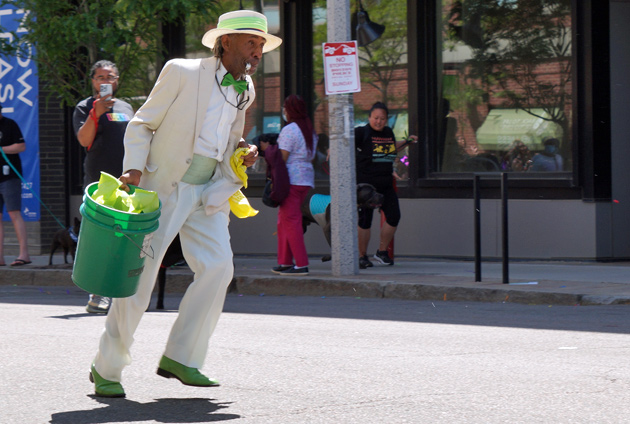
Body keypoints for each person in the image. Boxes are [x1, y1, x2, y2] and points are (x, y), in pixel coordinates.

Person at [88, 10, 281, 398]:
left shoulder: (246, 88)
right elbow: (142, 124)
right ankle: (106, 366)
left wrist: (241, 152)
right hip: (163, 188)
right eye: (251, 42)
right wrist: (133, 171)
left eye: (261, 44)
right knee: (138, 280)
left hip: (208, 192)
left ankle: (182, 356)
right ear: (224, 42)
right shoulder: (181, 71)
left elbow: (230, 138)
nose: (258, 51)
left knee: (217, 268)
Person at [73, 60, 134, 314]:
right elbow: (83, 140)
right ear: (93, 81)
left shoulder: (127, 107)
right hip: (99, 181)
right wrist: (95, 114)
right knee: (100, 236)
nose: (104, 81)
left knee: (125, 236)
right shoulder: (84, 107)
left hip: (127, 180)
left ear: (117, 80)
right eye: (99, 77)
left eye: (109, 76)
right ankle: (98, 293)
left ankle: (121, 291)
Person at [354, 102, 417, 269]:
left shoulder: (388, 132)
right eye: (375, 118)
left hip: (386, 184)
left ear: (386, 120)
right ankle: (362, 256)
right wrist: (332, 149)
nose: (378, 121)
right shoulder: (362, 132)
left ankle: (381, 251)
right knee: (365, 221)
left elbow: (390, 148)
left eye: (382, 118)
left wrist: (407, 141)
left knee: (394, 216)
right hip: (366, 187)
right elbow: (343, 144)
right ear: (369, 118)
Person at [262, 95, 317, 275]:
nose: (283, 112)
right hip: (306, 180)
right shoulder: (310, 130)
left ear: (290, 110)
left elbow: (281, 158)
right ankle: (285, 262)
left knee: (291, 222)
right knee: (284, 221)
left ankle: (301, 264)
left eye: (284, 108)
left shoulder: (289, 130)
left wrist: (267, 151)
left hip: (291, 181)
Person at [0, 104, 31, 267]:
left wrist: (2, 149)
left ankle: (24, 254)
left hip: (9, 177)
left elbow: (21, 146)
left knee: (14, 213)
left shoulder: (10, 124)